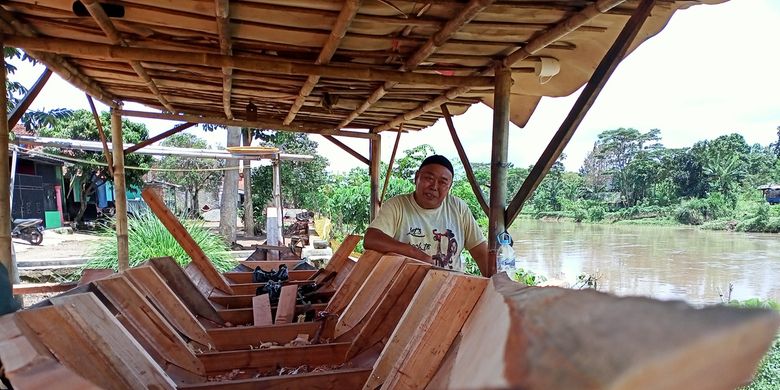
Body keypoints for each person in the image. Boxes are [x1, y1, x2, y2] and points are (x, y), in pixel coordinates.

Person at [364, 155, 489, 273]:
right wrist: (415, 253)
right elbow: (371, 239)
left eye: (443, 182)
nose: (434, 186)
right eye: (429, 178)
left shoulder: (458, 207)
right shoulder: (397, 205)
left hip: (450, 283)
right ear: (416, 177)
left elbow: (480, 251)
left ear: (449, 187)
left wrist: (496, 283)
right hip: (406, 283)